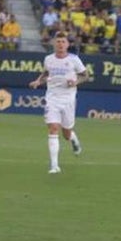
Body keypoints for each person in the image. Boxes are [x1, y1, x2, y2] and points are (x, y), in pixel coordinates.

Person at [28, 31, 87, 174]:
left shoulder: (74, 59)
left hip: (68, 100)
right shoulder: (48, 59)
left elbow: (85, 75)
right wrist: (38, 81)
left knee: (66, 133)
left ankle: (73, 139)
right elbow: (46, 74)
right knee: (54, 128)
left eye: (63, 42)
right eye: (58, 41)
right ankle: (54, 166)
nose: (60, 44)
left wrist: (76, 82)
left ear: (67, 44)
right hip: (52, 99)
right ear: (54, 43)